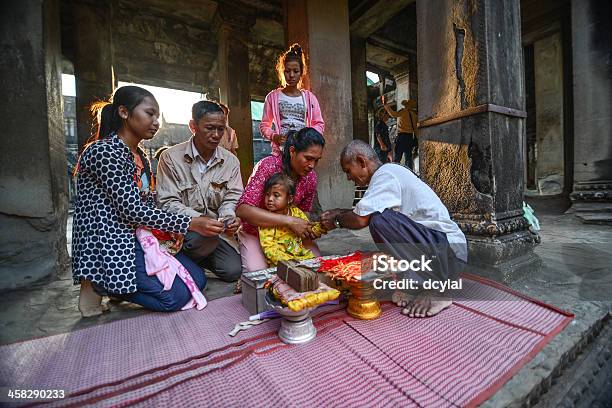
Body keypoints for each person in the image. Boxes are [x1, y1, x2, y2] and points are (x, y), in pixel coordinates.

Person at [72, 86, 213, 317]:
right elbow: (132, 210)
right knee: (175, 298)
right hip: (112, 240)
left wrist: (168, 232)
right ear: (124, 113)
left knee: (197, 279)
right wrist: (190, 223)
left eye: (157, 116)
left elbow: (147, 205)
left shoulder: (139, 156)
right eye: (150, 113)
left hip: (139, 237)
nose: (156, 122)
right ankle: (103, 283)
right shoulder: (104, 152)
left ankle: (119, 287)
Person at [321, 140, 467, 318]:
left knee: (380, 222)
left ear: (361, 161)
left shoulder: (385, 175)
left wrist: (336, 220)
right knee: (380, 221)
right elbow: (361, 212)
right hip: (442, 249)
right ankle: (418, 283)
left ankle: (440, 291)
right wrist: (339, 212)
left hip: (448, 251)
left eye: (348, 171)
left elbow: (360, 219)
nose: (349, 178)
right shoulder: (388, 174)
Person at [155, 101, 243, 283]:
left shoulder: (231, 162)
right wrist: (198, 221)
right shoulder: (170, 157)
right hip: (182, 233)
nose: (216, 135)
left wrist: (228, 216)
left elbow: (232, 197)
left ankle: (189, 265)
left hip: (214, 234)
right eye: (209, 128)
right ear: (193, 126)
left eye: (221, 129)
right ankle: (183, 264)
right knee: (202, 241)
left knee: (233, 271)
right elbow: (167, 202)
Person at [236, 127, 325, 272]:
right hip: (256, 231)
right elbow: (243, 210)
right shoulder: (268, 166)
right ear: (292, 151)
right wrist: (289, 221)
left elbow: (303, 213)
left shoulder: (311, 178)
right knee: (260, 274)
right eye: (308, 158)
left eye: (316, 160)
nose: (312, 166)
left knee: (315, 266)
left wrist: (308, 230)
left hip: (288, 235)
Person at [260, 43, 325, 156]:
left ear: (301, 73)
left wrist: (306, 137)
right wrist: (274, 136)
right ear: (282, 72)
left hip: (303, 152)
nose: (291, 75)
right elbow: (265, 125)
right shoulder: (273, 97)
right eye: (287, 71)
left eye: (295, 71)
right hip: (281, 152)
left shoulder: (310, 98)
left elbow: (319, 124)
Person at [259, 173, 326, 266]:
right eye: (267, 194)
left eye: (276, 195)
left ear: (290, 199)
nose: (270, 199)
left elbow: (308, 229)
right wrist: (290, 262)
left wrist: (322, 226)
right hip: (281, 262)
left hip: (300, 255)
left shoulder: (296, 212)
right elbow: (269, 248)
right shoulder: (267, 219)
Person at [382, 96, 418, 169]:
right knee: (408, 158)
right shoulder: (414, 115)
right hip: (410, 137)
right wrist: (417, 138)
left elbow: (393, 114)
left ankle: (395, 171)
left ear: (406, 105)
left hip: (401, 137)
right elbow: (416, 129)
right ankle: (409, 173)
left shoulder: (402, 111)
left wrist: (386, 106)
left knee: (398, 157)